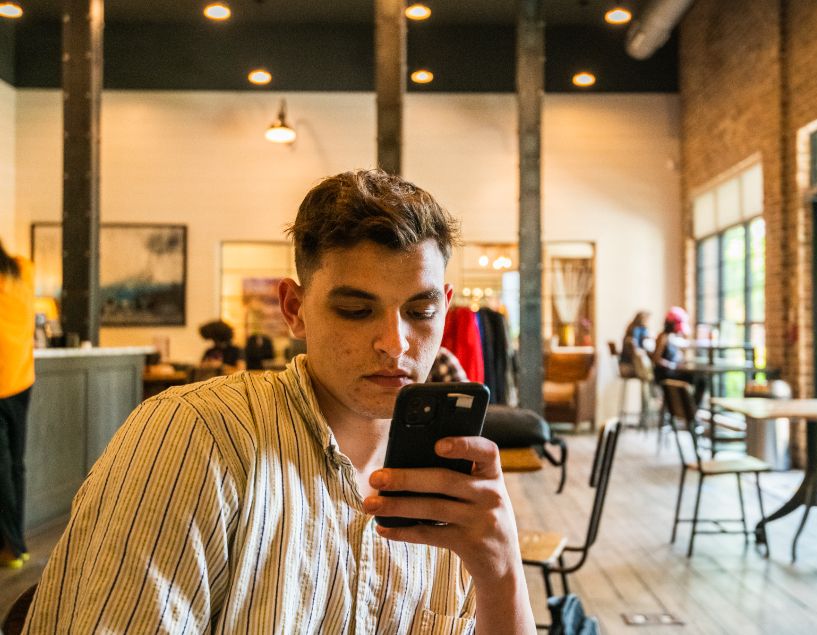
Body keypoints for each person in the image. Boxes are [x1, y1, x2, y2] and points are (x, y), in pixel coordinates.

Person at [23, 169, 536, 634]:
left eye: (420, 311)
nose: (394, 343)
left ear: (445, 308)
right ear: (294, 309)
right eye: (356, 310)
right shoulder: (197, 438)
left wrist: (502, 569)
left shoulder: (453, 488)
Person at [0, 240, 34, 570]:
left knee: (2, 466)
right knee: (15, 463)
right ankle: (16, 544)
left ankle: (12, 546)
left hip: (3, 380)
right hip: (22, 377)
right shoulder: (23, 269)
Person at [651, 306, 707, 405]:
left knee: (701, 379)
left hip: (672, 372)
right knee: (700, 380)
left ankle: (690, 409)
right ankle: (690, 410)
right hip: (665, 375)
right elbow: (656, 359)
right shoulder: (663, 337)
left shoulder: (672, 338)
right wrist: (672, 366)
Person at [618, 310, 653, 380]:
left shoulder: (632, 329)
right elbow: (637, 350)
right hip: (629, 367)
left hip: (624, 364)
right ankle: (647, 389)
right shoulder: (637, 331)